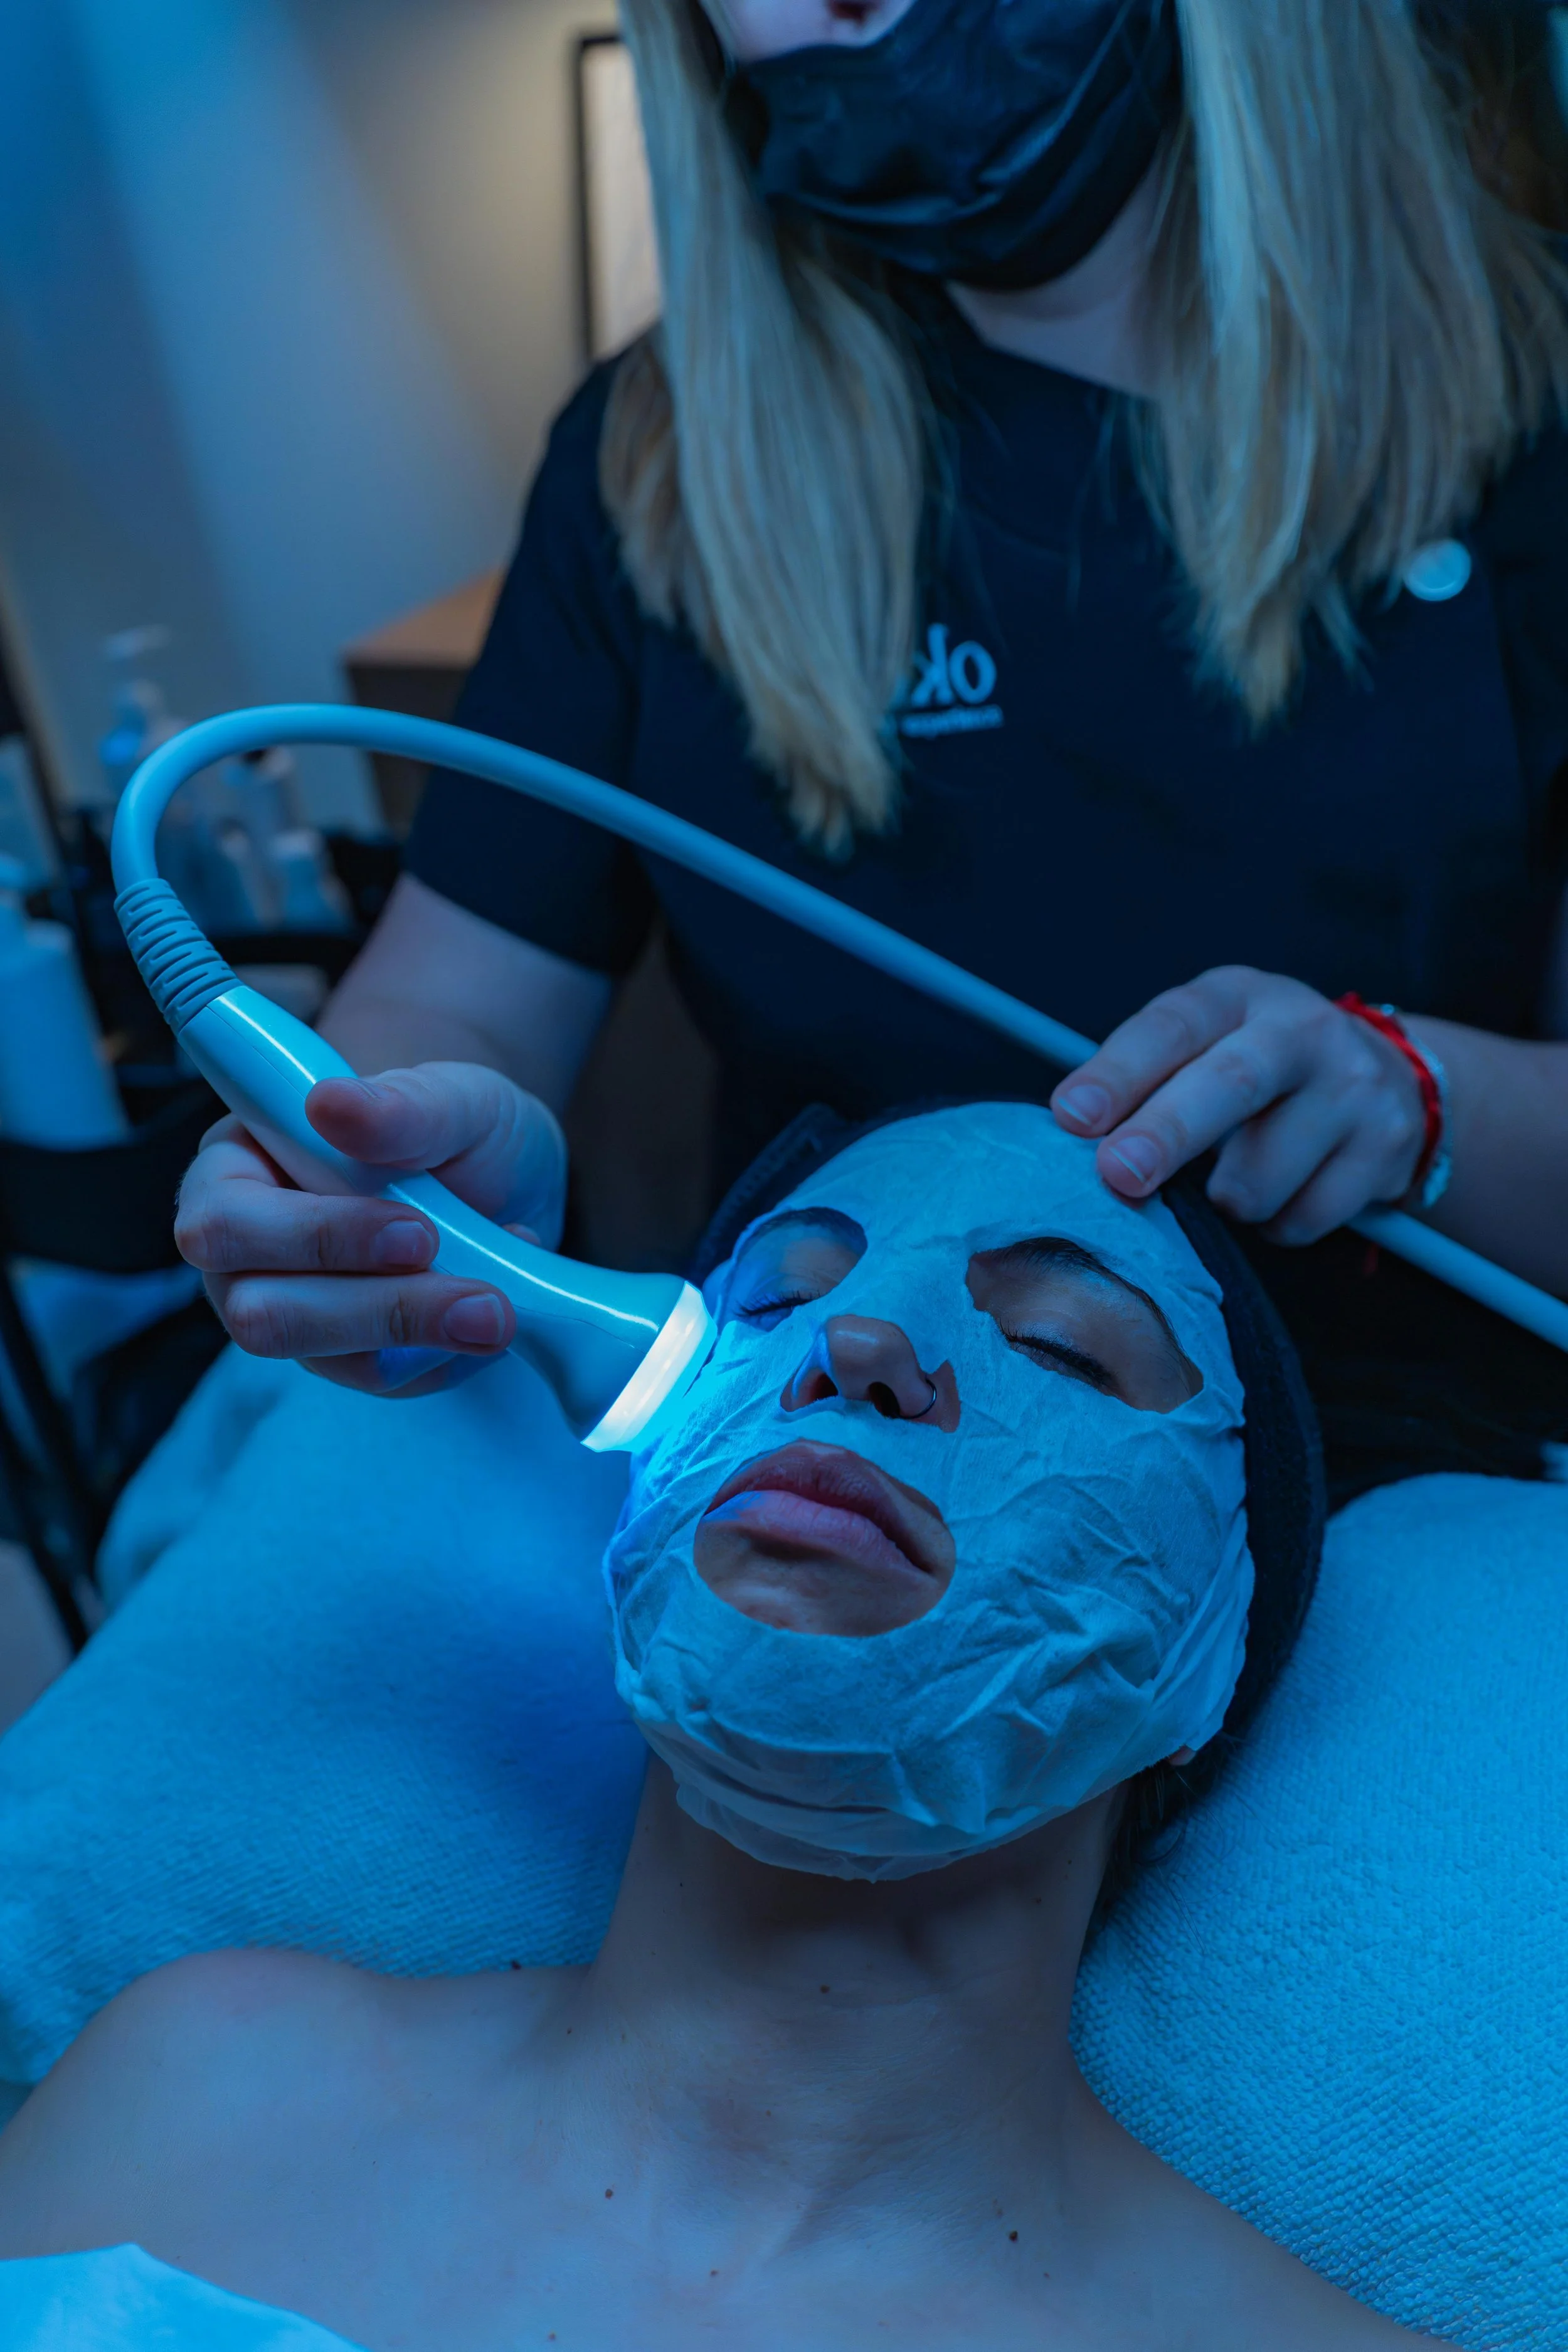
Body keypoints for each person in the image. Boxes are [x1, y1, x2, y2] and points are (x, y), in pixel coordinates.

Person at [172, 0, 1568, 1502]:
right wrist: (393, 1172)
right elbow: (455, 999)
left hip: (1399, 1482)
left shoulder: (1527, 423)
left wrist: (1415, 1103)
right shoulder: (657, 468)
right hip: (818, 1446)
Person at [0, 1105, 1434, 2348]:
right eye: (771, 1303)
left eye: (1062, 1352)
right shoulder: (201, 2081)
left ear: (1208, 1646)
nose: (859, 1341)